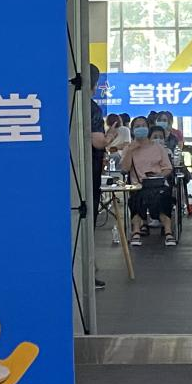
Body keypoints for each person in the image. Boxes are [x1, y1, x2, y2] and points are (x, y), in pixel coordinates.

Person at [122, 117, 177, 247]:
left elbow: (168, 168)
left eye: (143, 126)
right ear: (132, 130)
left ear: (147, 128)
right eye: (137, 126)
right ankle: (136, 231)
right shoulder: (129, 148)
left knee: (163, 198)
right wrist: (130, 151)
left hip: (157, 184)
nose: (140, 128)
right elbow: (125, 168)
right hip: (138, 185)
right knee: (136, 199)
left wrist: (159, 175)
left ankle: (168, 231)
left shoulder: (158, 148)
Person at [88, 65, 108, 290]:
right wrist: (108, 137)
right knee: (85, 227)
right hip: (86, 176)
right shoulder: (92, 108)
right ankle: (86, 275)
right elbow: (97, 141)